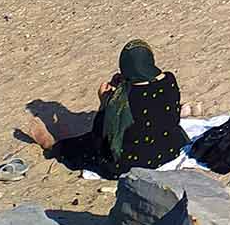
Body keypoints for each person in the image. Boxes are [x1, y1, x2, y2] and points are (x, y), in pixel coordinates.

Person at [20, 40, 187, 179]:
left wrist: (105, 102)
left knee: (82, 145)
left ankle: (52, 146)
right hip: (169, 150)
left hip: (129, 164)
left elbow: (101, 135)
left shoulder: (122, 100)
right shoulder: (169, 80)